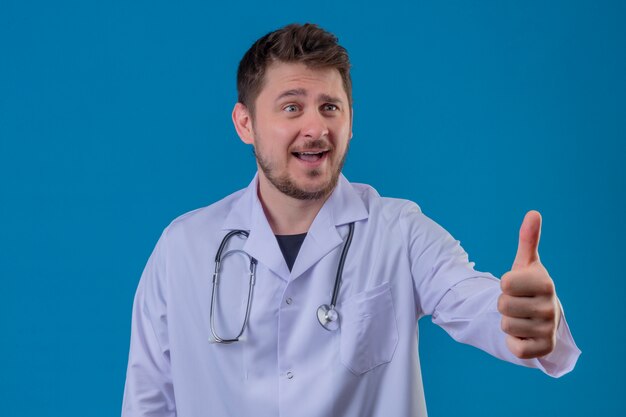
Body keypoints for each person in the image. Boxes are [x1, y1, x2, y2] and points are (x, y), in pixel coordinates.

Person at [121, 23, 581, 417]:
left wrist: (532, 322)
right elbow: (148, 403)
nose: (316, 128)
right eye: (291, 106)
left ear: (351, 120)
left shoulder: (399, 231)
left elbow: (476, 301)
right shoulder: (182, 248)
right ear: (245, 124)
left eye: (330, 107)